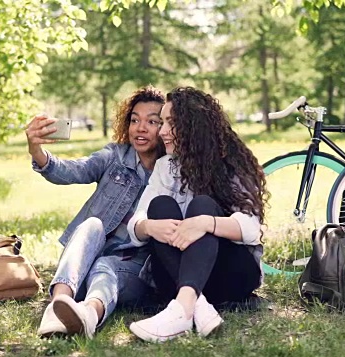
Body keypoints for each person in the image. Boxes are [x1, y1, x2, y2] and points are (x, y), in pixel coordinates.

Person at [126, 86, 267, 342]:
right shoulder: (165, 166)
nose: (162, 131)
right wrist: (149, 227)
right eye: (163, 122)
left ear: (194, 127)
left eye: (171, 123)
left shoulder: (232, 163)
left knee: (202, 204)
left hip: (231, 274)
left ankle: (184, 306)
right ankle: (193, 306)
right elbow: (135, 223)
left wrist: (205, 223)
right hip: (176, 273)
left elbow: (251, 228)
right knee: (159, 207)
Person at [25, 85, 165, 338]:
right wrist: (37, 150)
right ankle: (58, 306)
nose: (140, 128)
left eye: (152, 122)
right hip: (83, 262)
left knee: (106, 264)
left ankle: (88, 316)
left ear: (166, 127)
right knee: (92, 225)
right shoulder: (115, 156)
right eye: (134, 120)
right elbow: (73, 170)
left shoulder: (171, 172)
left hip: (130, 270)